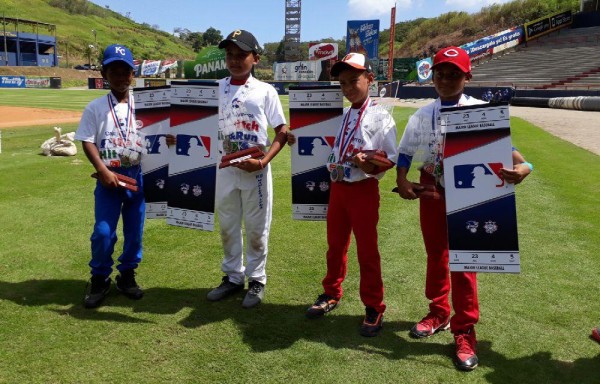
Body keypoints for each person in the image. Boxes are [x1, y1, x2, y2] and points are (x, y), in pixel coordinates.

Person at [395, 46, 532, 370]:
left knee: (465, 259)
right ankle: (439, 312)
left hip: (469, 189)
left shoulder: (481, 110)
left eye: (454, 73)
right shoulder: (421, 114)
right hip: (431, 186)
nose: (445, 78)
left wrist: (527, 167)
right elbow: (405, 153)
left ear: (467, 76)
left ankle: (465, 328)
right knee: (435, 254)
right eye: (440, 73)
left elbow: (512, 153)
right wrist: (402, 180)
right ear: (433, 77)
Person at [300, 53, 398, 337]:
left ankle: (374, 305)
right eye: (342, 83)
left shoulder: (381, 116)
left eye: (353, 80)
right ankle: (331, 292)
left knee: (367, 252)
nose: (347, 88)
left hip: (363, 190)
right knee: (335, 246)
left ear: (369, 78)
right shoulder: (341, 115)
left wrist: (367, 164)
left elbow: (388, 159)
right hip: (338, 188)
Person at [206, 30, 288, 309]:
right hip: (224, 169)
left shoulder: (265, 90)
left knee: (256, 229)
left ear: (255, 58)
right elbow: (195, 125)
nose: (234, 60)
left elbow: (282, 132)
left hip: (256, 170)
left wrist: (263, 162)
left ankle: (256, 280)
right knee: (228, 226)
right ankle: (232, 277)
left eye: (241, 55)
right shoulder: (214, 88)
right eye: (230, 55)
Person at [76, 44, 146, 309]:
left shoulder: (145, 104)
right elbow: (86, 140)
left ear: (132, 74)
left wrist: (169, 138)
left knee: (134, 232)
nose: (120, 76)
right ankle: (99, 277)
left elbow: (158, 134)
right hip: (108, 177)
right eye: (113, 71)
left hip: (136, 176)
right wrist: (103, 170)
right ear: (104, 73)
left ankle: (126, 275)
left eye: (125, 71)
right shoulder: (95, 107)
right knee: (103, 233)